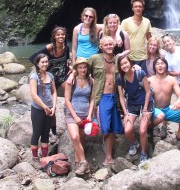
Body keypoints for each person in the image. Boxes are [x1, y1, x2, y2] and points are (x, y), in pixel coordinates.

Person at [88, 36, 123, 165]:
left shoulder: (117, 59)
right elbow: (83, 71)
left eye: (110, 44)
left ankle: (108, 157)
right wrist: (72, 76)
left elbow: (128, 67)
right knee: (105, 127)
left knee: (113, 128)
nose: (108, 46)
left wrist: (135, 68)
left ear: (114, 45)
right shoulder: (94, 59)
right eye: (106, 45)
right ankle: (105, 150)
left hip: (114, 97)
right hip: (101, 97)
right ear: (101, 46)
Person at [117, 55, 153, 164]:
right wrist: (125, 112)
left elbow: (148, 92)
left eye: (126, 63)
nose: (124, 66)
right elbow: (121, 96)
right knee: (127, 129)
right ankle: (134, 143)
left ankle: (143, 152)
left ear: (130, 63)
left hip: (145, 103)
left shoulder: (140, 73)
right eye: (121, 64)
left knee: (142, 130)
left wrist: (145, 109)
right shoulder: (120, 77)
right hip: (132, 104)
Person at [148, 57, 180, 144]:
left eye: (162, 63)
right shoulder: (149, 80)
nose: (160, 66)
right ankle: (149, 127)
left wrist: (178, 101)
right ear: (154, 67)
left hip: (167, 109)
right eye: (157, 64)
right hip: (154, 110)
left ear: (166, 66)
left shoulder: (172, 80)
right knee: (160, 116)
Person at [64, 57, 94, 176]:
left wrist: (90, 115)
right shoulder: (71, 80)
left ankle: (78, 164)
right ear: (76, 68)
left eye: (85, 67)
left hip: (85, 113)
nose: (83, 69)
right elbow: (66, 100)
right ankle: (84, 162)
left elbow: (92, 99)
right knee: (75, 137)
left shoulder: (91, 81)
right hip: (72, 114)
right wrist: (75, 116)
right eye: (80, 67)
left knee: (81, 140)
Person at [29, 53, 57, 160]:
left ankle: (45, 156)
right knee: (37, 133)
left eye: (46, 61)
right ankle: (35, 158)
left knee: (46, 133)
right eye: (43, 62)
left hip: (50, 109)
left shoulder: (50, 75)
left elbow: (54, 92)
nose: (45, 64)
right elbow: (33, 95)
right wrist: (44, 107)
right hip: (38, 109)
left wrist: (53, 107)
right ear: (37, 64)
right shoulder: (34, 77)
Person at [29, 26, 70, 90]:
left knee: (70, 86)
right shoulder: (49, 48)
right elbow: (32, 58)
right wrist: (41, 69)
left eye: (62, 34)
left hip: (62, 76)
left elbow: (66, 61)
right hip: (49, 76)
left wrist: (70, 67)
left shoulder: (66, 48)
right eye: (58, 35)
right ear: (54, 37)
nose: (61, 36)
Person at [141, 37, 167, 139]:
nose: (152, 47)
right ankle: (155, 125)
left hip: (161, 80)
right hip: (150, 82)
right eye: (150, 45)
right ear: (148, 45)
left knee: (164, 103)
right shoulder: (145, 56)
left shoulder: (162, 55)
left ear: (158, 47)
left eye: (154, 45)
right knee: (153, 103)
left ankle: (164, 126)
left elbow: (167, 66)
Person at [121, 0, 152, 65]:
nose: (138, 8)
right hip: (129, 58)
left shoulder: (147, 22)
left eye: (140, 6)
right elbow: (121, 39)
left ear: (143, 8)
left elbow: (149, 39)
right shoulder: (125, 22)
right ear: (132, 8)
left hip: (144, 57)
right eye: (135, 6)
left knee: (144, 76)